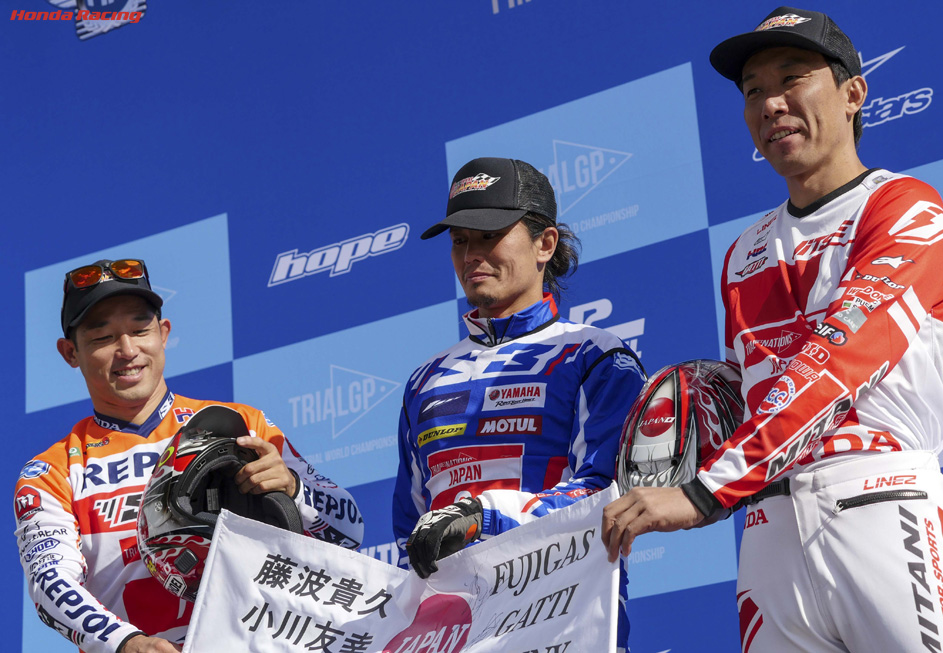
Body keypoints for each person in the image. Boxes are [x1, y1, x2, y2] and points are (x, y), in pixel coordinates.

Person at [603, 7, 943, 652]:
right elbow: (748, 394)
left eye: (792, 78)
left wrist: (705, 490)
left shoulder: (904, 209)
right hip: (767, 529)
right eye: (753, 91)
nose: (771, 104)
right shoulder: (743, 252)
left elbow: (837, 362)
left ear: (853, 93)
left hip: (879, 501)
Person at [14, 258, 364, 653]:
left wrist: (294, 490)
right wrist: (126, 643)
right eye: (103, 337)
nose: (127, 350)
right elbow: (51, 583)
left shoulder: (243, 424)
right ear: (70, 353)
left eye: (140, 330)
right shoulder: (50, 472)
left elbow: (349, 533)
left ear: (163, 333)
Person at [393, 157, 645, 651]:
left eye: (489, 236)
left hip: (563, 616)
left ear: (545, 244)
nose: (471, 255)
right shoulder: (425, 380)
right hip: (455, 629)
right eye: (460, 240)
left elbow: (607, 496)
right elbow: (408, 532)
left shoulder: (595, 355)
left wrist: (483, 518)